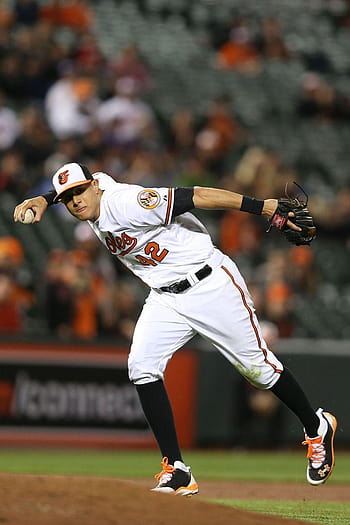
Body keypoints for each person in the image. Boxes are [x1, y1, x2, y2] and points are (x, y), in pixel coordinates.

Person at [14, 162, 337, 494]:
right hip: (165, 297)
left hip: (210, 284)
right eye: (68, 199)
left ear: (95, 186)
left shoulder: (126, 202)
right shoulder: (94, 195)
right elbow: (73, 188)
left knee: (258, 370)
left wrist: (262, 206)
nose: (76, 202)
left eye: (80, 192)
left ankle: (316, 425)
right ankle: (177, 469)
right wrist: (45, 198)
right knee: (141, 366)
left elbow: (197, 195)